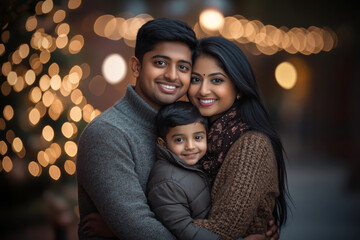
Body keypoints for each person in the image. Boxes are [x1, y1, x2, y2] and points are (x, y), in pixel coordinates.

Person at [77, 17, 279, 240]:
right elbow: (141, 231)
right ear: (136, 66)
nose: (172, 76)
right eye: (160, 63)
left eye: (183, 67)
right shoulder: (108, 134)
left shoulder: (196, 132)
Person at [186, 36, 290, 239]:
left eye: (216, 80)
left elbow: (222, 229)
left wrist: (142, 224)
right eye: (195, 79)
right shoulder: (195, 137)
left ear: (239, 88)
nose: (203, 90)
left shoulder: (252, 145)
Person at [147, 101, 219, 240]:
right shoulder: (166, 183)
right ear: (163, 143)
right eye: (179, 139)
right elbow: (185, 230)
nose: (191, 146)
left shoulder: (194, 165)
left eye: (198, 137)